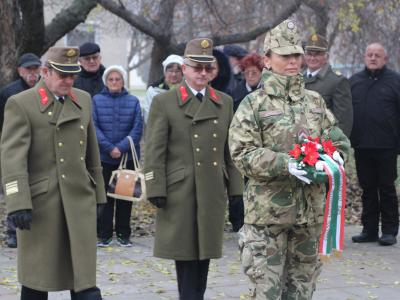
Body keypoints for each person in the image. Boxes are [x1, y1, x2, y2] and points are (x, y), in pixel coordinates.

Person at [228, 20, 350, 299]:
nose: (293, 61)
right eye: (285, 55)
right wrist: (287, 163)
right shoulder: (254, 104)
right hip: (267, 217)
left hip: (310, 217)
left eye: (297, 54)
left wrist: (332, 160)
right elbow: (242, 153)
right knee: (266, 293)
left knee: (301, 293)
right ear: (267, 61)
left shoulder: (315, 102)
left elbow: (339, 141)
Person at [1, 46, 106, 300]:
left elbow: (91, 151)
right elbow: (12, 157)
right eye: (63, 76)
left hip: (79, 199)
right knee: (37, 281)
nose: (69, 81)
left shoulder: (83, 99)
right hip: (41, 204)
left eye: (73, 76)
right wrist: (17, 203)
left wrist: (99, 194)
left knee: (84, 281)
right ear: (45, 73)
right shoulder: (21, 103)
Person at [144, 37, 243, 300]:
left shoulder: (224, 102)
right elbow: (154, 150)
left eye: (206, 68)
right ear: (184, 68)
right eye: (195, 67)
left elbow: (229, 151)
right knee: (185, 255)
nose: (201, 73)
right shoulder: (165, 102)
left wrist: (236, 188)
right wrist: (155, 186)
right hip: (180, 190)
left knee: (205, 255)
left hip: (211, 189)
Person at [350, 43, 400, 246]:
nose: (373, 58)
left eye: (377, 55)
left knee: (386, 188)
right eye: (369, 54)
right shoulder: (354, 82)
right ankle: (369, 230)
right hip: (362, 146)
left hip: (387, 146)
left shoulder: (395, 81)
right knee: (368, 189)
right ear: (364, 57)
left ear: (385, 59)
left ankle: (389, 231)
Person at [93, 65, 143, 247]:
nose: (114, 82)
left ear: (123, 81)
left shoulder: (133, 101)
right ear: (106, 82)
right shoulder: (96, 100)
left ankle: (123, 234)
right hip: (104, 157)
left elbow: (137, 129)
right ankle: (104, 234)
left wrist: (120, 148)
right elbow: (94, 127)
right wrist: (109, 147)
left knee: (124, 197)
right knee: (105, 198)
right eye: (111, 79)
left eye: (118, 79)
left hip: (126, 158)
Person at [0, 52, 41, 248]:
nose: (33, 74)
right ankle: (12, 230)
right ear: (20, 71)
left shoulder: (46, 90)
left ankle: (36, 227)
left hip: (38, 149)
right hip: (14, 147)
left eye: (36, 69)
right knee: (14, 187)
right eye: (28, 70)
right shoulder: (9, 93)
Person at [304, 34, 353, 137]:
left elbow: (343, 121)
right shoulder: (297, 78)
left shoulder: (337, 82)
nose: (312, 58)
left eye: (317, 54)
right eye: (309, 54)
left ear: (326, 57)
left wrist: (335, 147)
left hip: (324, 144)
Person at [142, 54, 183, 123]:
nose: (174, 74)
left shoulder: (188, 89)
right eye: (170, 71)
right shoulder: (153, 90)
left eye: (177, 71)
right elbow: (148, 115)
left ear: (182, 73)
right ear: (165, 72)